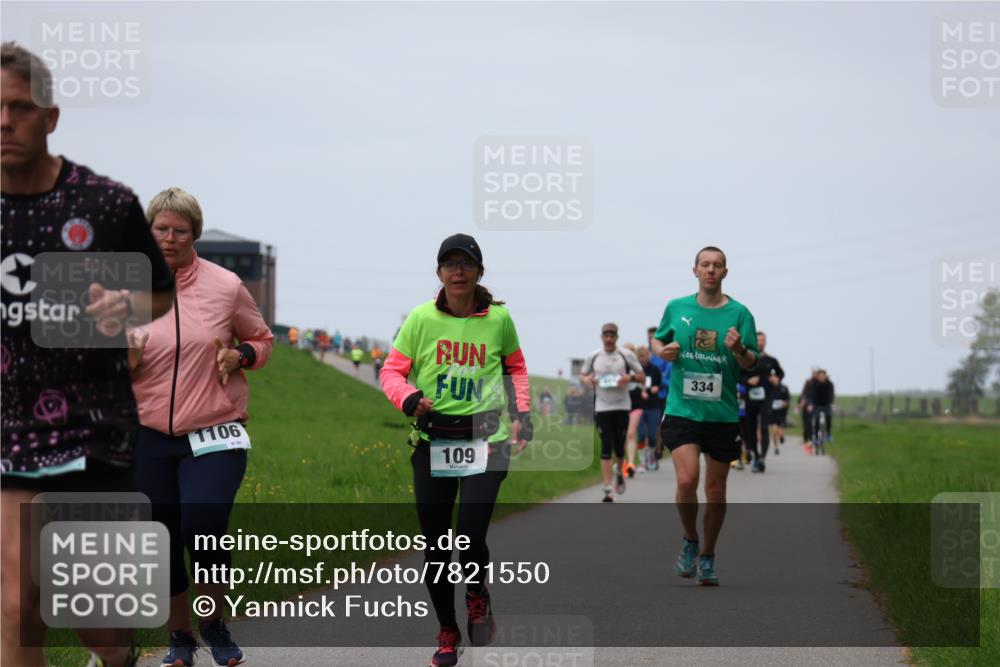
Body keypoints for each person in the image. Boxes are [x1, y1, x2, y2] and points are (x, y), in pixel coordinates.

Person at [1, 42, 175, 667]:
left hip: (92, 430)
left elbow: (160, 291)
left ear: (50, 117)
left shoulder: (104, 204)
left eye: (19, 107)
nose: (4, 120)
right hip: (8, 432)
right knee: (17, 604)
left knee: (100, 622)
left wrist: (124, 307)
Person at [127, 187, 273, 667]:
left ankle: (212, 623)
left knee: (203, 525)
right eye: (161, 229)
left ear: (195, 235)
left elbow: (261, 338)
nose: (169, 239)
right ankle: (180, 638)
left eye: (180, 231)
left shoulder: (225, 286)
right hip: (148, 435)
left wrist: (241, 354)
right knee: (162, 537)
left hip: (213, 432)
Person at [379, 233, 532, 667]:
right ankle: (447, 630)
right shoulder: (421, 319)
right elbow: (392, 371)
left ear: (480, 271)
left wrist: (524, 412)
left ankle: (477, 593)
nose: (457, 270)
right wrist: (408, 398)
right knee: (435, 544)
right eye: (449, 263)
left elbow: (515, 368)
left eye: (465, 263)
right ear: (439, 272)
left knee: (469, 535)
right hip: (434, 442)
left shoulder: (499, 319)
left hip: (487, 440)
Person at [652, 246, 758, 586]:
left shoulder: (740, 314)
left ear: (726, 272)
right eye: (705, 265)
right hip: (682, 409)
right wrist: (662, 350)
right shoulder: (677, 307)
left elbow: (751, 362)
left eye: (718, 265)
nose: (711, 270)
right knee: (686, 480)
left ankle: (708, 555)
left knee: (715, 490)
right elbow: (658, 340)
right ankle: (689, 539)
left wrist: (739, 348)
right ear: (695, 270)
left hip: (722, 414)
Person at [580, 323, 645, 502]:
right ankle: (608, 488)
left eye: (612, 336)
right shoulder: (594, 356)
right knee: (605, 446)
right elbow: (583, 375)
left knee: (619, 445)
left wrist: (629, 377)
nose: (609, 339)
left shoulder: (626, 355)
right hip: (602, 406)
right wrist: (588, 379)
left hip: (622, 406)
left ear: (617, 337)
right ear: (602, 337)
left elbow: (641, 376)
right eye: (606, 336)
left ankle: (619, 472)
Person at [738, 331, 784, 472]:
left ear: (766, 342)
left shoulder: (771, 360)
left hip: (767, 397)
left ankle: (762, 458)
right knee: (749, 430)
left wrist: (777, 378)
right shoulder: (746, 359)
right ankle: (756, 455)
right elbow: (738, 377)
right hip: (750, 398)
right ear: (753, 341)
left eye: (763, 340)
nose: (760, 342)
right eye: (758, 340)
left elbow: (780, 373)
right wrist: (748, 381)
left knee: (764, 426)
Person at [634, 347, 664, 472]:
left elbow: (660, 384)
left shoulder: (654, 369)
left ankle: (651, 456)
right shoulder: (634, 371)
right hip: (639, 406)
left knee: (652, 435)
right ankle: (642, 462)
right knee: (640, 435)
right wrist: (641, 390)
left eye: (644, 356)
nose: (642, 359)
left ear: (648, 356)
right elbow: (632, 386)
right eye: (640, 357)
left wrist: (656, 388)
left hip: (653, 406)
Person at [646, 326, 671, 463]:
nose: (650, 339)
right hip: (650, 394)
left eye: (653, 337)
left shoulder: (664, 354)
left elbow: (668, 373)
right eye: (649, 337)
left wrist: (660, 381)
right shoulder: (646, 355)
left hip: (664, 393)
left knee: (661, 423)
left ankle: (659, 447)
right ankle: (653, 448)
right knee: (652, 424)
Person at [805, 369, 835, 453]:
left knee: (829, 416)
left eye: (823, 376)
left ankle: (828, 433)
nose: (822, 377)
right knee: (816, 420)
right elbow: (811, 395)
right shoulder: (814, 384)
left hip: (826, 405)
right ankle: (815, 437)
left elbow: (831, 394)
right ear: (818, 376)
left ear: (825, 376)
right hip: (816, 405)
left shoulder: (830, 384)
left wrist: (832, 403)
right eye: (820, 376)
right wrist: (810, 404)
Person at [799, 369, 818, 451]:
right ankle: (806, 439)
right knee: (806, 424)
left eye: (815, 373)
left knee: (814, 423)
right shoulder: (808, 382)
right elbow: (804, 394)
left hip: (816, 405)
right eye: (813, 373)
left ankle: (815, 438)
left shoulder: (820, 383)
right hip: (807, 406)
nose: (814, 374)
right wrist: (804, 402)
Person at [769, 382, 791, 454]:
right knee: (774, 430)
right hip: (773, 412)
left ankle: (781, 436)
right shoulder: (769, 387)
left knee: (780, 430)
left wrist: (785, 403)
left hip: (782, 413)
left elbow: (788, 398)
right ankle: (776, 447)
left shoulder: (784, 388)